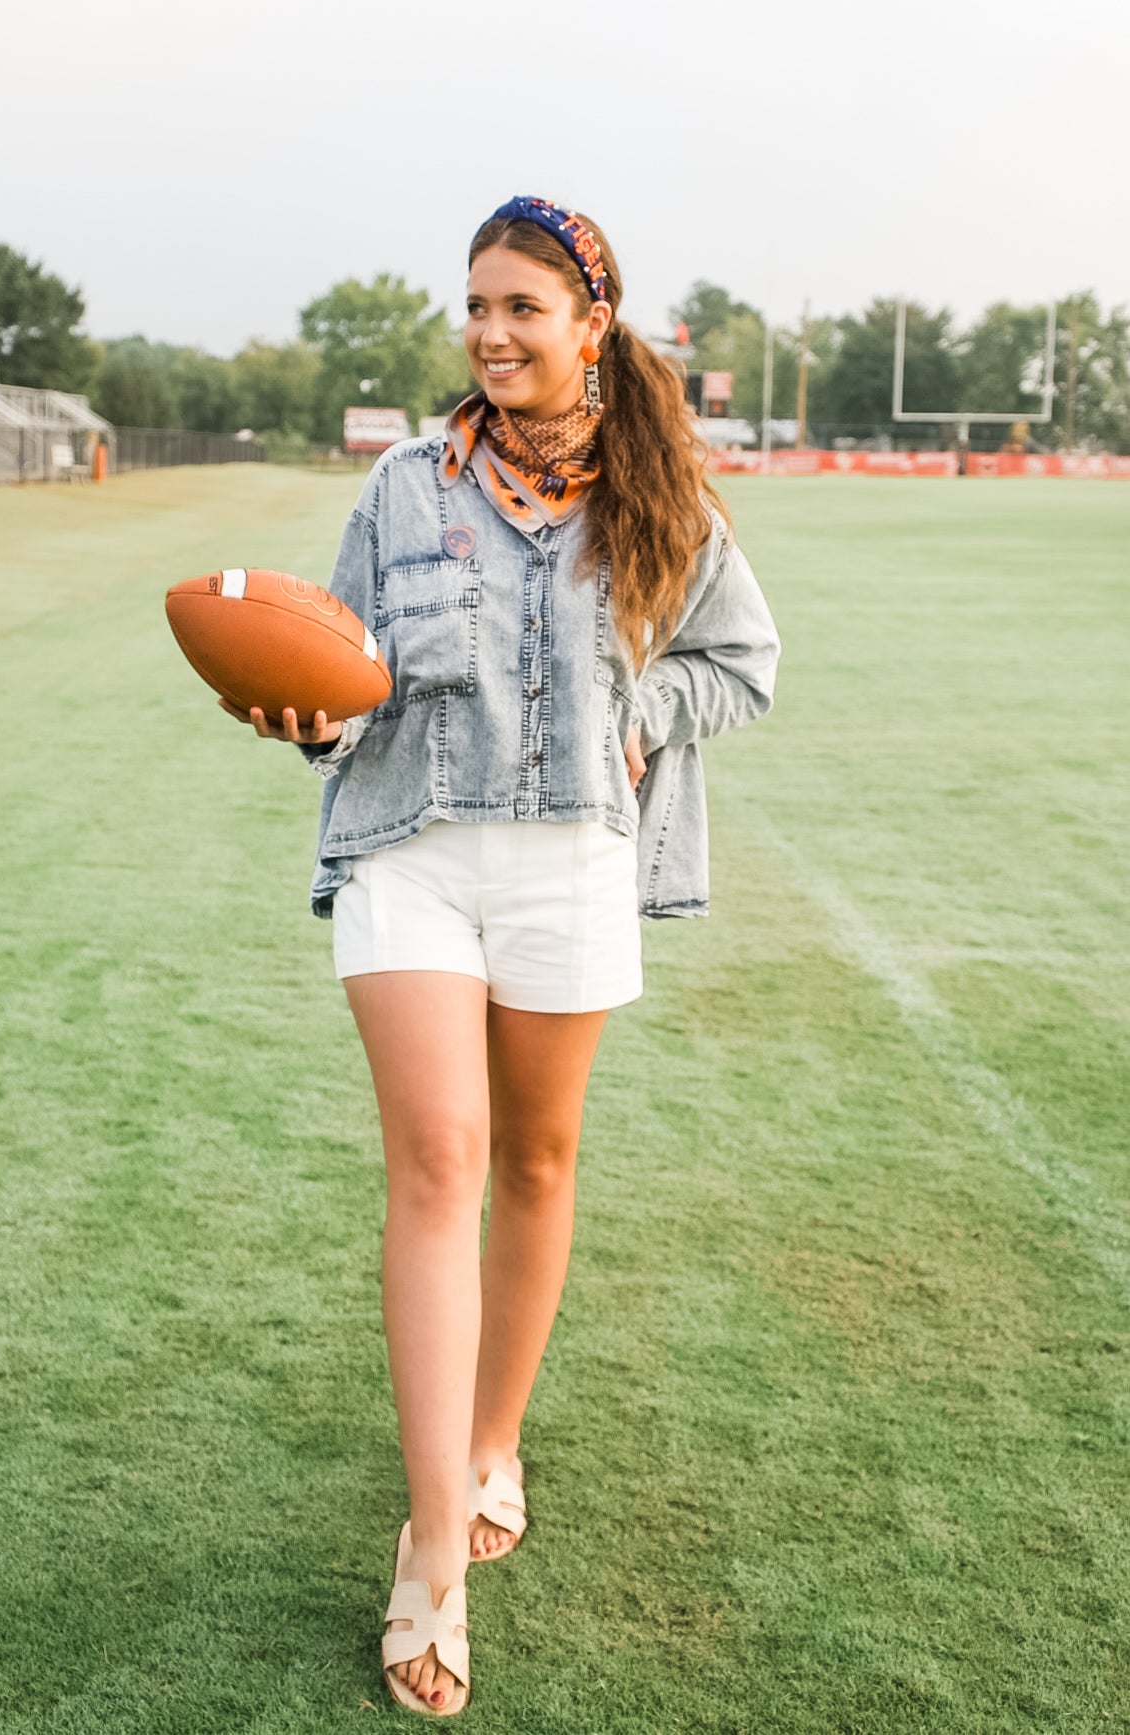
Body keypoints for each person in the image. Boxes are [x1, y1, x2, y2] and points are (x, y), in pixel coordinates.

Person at [220, 197, 781, 1716]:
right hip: (413, 851)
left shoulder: (664, 498)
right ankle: (431, 1553)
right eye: (477, 305)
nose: (491, 331)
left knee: (536, 1164)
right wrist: (310, 717)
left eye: (524, 306)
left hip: (577, 865)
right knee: (438, 1159)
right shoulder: (405, 485)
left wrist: (641, 722)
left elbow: (745, 665)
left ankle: (490, 1444)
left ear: (593, 323)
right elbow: (350, 679)